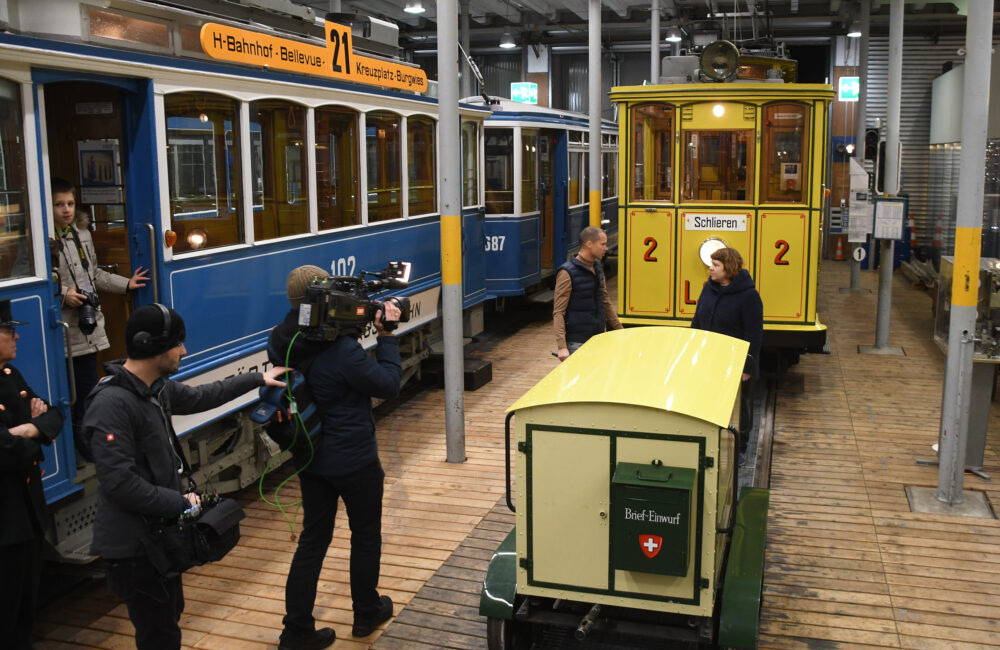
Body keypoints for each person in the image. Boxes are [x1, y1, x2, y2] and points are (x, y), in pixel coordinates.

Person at [85, 303, 287, 650]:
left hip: (157, 537)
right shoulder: (112, 404)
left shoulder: (155, 388)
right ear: (152, 348)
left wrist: (257, 379)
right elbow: (120, 482)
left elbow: (201, 396)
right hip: (134, 546)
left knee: (168, 616)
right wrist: (178, 502)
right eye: (178, 343)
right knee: (158, 634)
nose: (184, 351)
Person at [272, 265, 402, 650]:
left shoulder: (282, 339)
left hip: (310, 454)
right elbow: (388, 385)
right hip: (354, 459)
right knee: (364, 534)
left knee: (313, 540)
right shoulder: (342, 350)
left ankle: (296, 630)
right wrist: (387, 336)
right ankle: (365, 612)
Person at [51, 177, 150, 460]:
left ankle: (87, 442)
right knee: (74, 390)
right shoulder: (43, 239)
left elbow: (94, 275)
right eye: (59, 205)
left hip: (88, 326)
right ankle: (81, 448)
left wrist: (126, 284)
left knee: (87, 386)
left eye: (70, 203)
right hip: (63, 329)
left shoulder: (81, 234)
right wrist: (63, 294)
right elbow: (37, 279)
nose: (66, 210)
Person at [0, 300, 64, 650]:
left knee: (27, 605)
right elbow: (3, 452)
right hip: (6, 521)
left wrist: (26, 430)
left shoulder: (11, 375)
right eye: (8, 330)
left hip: (28, 515)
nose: (16, 336)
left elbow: (53, 416)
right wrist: (33, 427)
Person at [690, 247, 763, 464]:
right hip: (709, 360)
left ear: (728, 268)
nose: (710, 269)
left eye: (716, 265)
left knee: (738, 408)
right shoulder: (708, 289)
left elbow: (754, 333)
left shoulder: (749, 297)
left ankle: (740, 448)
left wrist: (747, 367)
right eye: (711, 264)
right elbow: (697, 320)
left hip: (734, 363)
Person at [553, 226, 623, 361]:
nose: (606, 248)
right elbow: (558, 312)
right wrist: (562, 346)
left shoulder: (598, 268)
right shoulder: (567, 273)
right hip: (577, 343)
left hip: (599, 339)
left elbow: (605, 302)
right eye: (602, 244)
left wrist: (620, 331)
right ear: (589, 244)